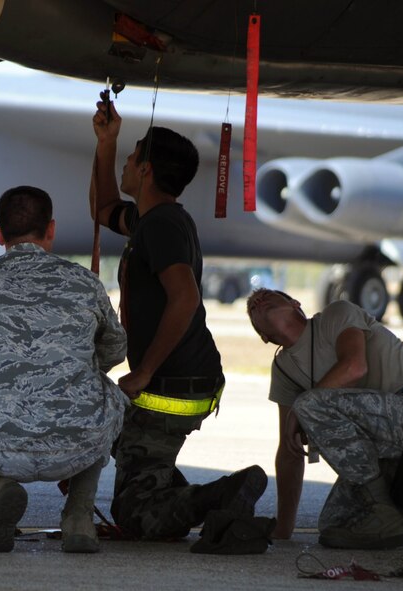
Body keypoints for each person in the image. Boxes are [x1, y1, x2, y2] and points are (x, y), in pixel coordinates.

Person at [90, 97, 266, 542]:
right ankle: (212, 505)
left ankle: (221, 497)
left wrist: (145, 370)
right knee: (120, 439)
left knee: (134, 516)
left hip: (173, 386)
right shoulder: (154, 219)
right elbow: (102, 208)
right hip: (186, 380)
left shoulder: (161, 225)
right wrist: (107, 143)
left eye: (131, 157)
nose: (127, 165)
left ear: (146, 170)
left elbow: (184, 298)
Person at [0, 185, 127, 553]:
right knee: (108, 396)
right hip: (77, 442)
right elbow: (114, 349)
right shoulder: (85, 283)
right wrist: (74, 376)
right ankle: (79, 514)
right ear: (51, 230)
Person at [246, 288, 403, 549]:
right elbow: (289, 450)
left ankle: (386, 512)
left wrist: (301, 408)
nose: (258, 300)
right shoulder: (284, 371)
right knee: (335, 526)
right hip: (386, 441)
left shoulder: (336, 314)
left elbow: (355, 366)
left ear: (296, 304)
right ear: (263, 337)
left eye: (267, 295)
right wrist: (283, 528)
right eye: (252, 307)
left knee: (309, 404)